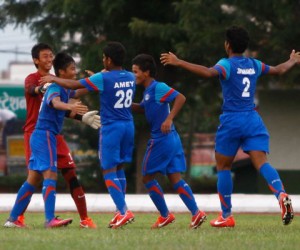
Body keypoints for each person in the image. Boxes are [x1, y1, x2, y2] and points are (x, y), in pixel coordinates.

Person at [160, 26, 300, 227]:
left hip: (232, 120)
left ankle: (226, 215)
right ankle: (281, 194)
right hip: (253, 119)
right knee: (262, 163)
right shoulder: (254, 64)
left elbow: (208, 73)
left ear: (228, 45)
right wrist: (293, 61)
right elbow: (278, 70)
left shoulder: (226, 64)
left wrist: (179, 62)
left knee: (223, 166)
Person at [40, 41, 136, 229]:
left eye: (103, 58)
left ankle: (124, 211)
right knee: (119, 168)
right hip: (128, 126)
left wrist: (53, 79)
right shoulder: (131, 76)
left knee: (108, 170)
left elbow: (74, 84)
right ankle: (119, 212)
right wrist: (98, 79)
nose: (102, 60)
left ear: (108, 60)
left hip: (111, 128)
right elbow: (91, 87)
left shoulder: (103, 77)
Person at [4, 52, 101, 228]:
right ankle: (50, 220)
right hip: (45, 135)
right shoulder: (54, 88)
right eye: (72, 68)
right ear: (62, 72)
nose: (75, 71)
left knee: (33, 179)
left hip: (42, 136)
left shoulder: (64, 88)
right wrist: (71, 106)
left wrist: (95, 83)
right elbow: (55, 103)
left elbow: (79, 89)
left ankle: (12, 220)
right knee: (50, 174)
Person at [131, 54, 207, 229]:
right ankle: (196, 214)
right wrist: (123, 104)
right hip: (171, 139)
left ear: (146, 72)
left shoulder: (158, 87)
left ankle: (165, 215)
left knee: (147, 177)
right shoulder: (149, 92)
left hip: (162, 139)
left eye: (135, 71)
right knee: (175, 178)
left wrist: (169, 118)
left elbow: (180, 97)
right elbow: (143, 108)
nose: (133, 74)